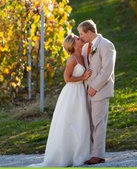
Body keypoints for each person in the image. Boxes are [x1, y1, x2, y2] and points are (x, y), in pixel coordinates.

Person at [38, 33, 93, 167]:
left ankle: (80, 153)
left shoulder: (83, 55)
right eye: (77, 38)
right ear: (73, 44)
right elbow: (67, 79)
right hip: (72, 93)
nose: (80, 39)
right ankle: (66, 156)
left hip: (80, 92)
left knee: (81, 121)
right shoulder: (72, 59)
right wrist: (83, 77)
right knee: (70, 122)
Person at [78, 19, 116, 165]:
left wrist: (94, 87)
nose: (80, 36)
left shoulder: (106, 45)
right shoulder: (85, 47)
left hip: (100, 90)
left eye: (81, 33)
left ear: (89, 32)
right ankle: (92, 152)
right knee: (90, 123)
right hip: (87, 90)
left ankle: (98, 154)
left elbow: (107, 70)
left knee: (99, 122)